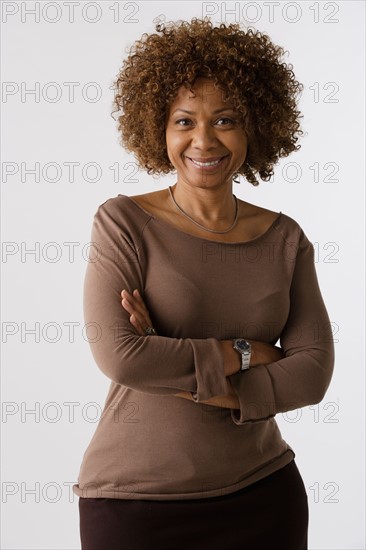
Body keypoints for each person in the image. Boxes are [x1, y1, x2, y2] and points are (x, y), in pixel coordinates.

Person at [73, 17, 335, 550]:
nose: (203, 140)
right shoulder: (123, 223)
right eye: (184, 121)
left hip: (263, 492)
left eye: (225, 119)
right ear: (159, 130)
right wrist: (246, 353)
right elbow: (122, 356)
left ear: (255, 126)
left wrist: (173, 361)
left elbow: (312, 372)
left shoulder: (285, 238)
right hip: (136, 502)